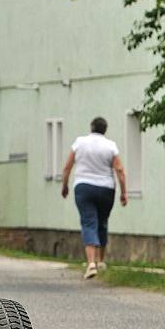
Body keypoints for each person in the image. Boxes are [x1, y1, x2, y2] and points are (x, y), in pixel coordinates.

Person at [61, 117, 128, 279]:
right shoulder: (111, 146)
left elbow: (67, 167)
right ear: (105, 129)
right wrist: (123, 192)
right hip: (106, 188)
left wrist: (65, 185)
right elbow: (119, 170)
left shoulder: (79, 142)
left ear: (91, 127)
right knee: (102, 222)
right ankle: (101, 260)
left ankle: (91, 263)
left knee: (89, 222)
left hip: (83, 187)